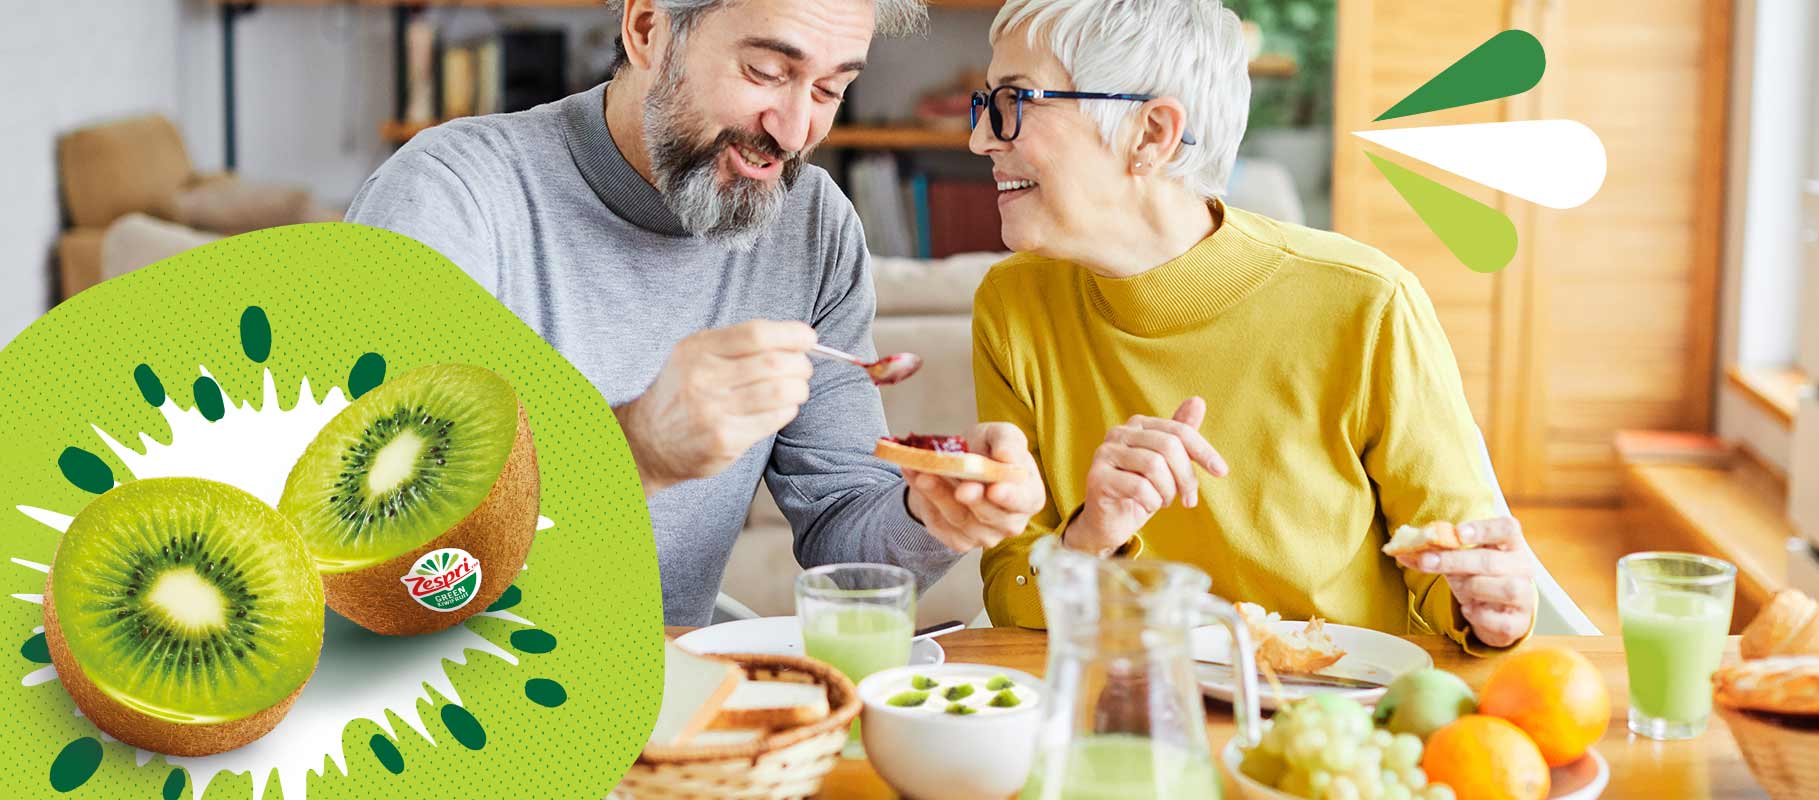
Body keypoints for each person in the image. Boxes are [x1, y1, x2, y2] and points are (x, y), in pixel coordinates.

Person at [346, 0, 1046, 627]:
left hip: (671, 704)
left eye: (831, 88)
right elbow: (377, 539)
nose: (797, 129)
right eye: (767, 70)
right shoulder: (450, 196)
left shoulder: (814, 224)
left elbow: (843, 526)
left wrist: (932, 515)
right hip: (442, 691)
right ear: (649, 28)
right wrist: (638, 450)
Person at [968, 0, 1536, 651]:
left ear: (1151, 133)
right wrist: (1090, 536)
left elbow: (1455, 570)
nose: (980, 139)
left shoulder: (1367, 304)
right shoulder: (1012, 308)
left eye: (1014, 103)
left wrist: (1489, 605)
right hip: (1135, 708)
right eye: (984, 105)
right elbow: (1010, 593)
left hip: (1333, 716)